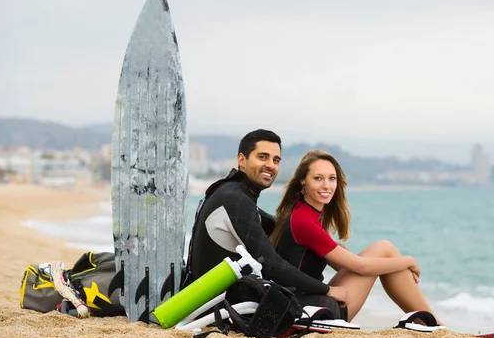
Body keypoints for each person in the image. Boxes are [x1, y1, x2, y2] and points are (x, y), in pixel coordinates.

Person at [184, 130, 348, 313]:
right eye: (263, 157)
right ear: (242, 159)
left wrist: (330, 247)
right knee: (328, 304)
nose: (270, 165)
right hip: (214, 307)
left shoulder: (235, 192)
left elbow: (278, 226)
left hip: (222, 300)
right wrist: (328, 289)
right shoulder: (235, 199)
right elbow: (270, 264)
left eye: (276, 160)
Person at [270, 150, 440, 323]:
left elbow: (344, 265)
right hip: (311, 310)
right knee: (385, 249)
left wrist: (343, 254)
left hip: (308, 301)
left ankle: (429, 321)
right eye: (318, 178)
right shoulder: (304, 220)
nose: (327, 186)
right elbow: (361, 267)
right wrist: (409, 261)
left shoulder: (302, 212)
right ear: (302, 180)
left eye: (332, 178)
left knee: (385, 253)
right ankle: (431, 322)